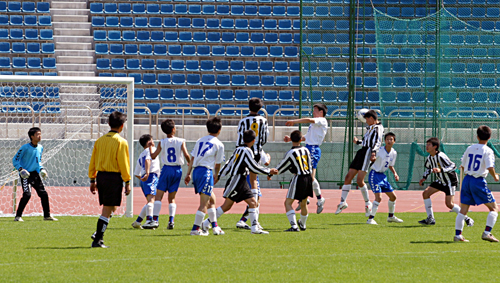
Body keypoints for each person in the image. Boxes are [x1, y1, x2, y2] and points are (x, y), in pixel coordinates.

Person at [201, 130, 277, 234]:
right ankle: (206, 222)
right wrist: (269, 171)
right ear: (253, 141)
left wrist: (219, 175)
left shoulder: (238, 149)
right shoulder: (246, 151)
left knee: (253, 202)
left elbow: (228, 164)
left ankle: (254, 228)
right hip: (237, 180)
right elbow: (253, 167)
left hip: (241, 180)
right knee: (226, 206)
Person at [88, 111, 131, 248]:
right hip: (113, 177)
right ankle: (98, 240)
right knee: (107, 209)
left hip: (101, 176)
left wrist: (92, 179)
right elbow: (123, 163)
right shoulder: (121, 142)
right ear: (122, 126)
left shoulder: (100, 141)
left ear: (108, 124)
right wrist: (127, 181)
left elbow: (93, 161)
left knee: (112, 207)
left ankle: (97, 233)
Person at [455, 125, 499, 242]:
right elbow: (490, 167)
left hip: (467, 179)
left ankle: (458, 235)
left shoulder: (470, 148)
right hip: (478, 181)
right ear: (489, 137)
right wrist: (495, 176)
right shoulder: (488, 151)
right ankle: (487, 233)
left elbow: (462, 165)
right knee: (494, 208)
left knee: (463, 209)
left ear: (477, 136)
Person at [336, 110, 383, 216]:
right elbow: (367, 141)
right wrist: (357, 142)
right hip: (361, 152)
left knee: (359, 180)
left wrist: (373, 153)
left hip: (368, 152)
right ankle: (343, 202)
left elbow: (377, 142)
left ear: (371, 118)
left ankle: (367, 203)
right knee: (348, 177)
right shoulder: (370, 128)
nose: (366, 121)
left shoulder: (378, 128)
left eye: (366, 119)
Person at [418, 137, 474, 226]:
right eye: (426, 144)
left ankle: (467, 219)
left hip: (449, 181)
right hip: (440, 181)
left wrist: (441, 170)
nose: (426, 146)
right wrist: (424, 178)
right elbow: (429, 169)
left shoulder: (441, 156)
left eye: (429, 144)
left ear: (435, 146)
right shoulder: (429, 158)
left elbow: (453, 166)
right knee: (425, 193)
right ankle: (430, 218)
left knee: (449, 204)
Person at [284, 103, 328, 214]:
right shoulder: (315, 125)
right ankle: (310, 198)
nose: (313, 112)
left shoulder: (322, 120)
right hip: (307, 148)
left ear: (321, 112)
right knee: (303, 174)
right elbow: (307, 137)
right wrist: (290, 139)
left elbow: (308, 119)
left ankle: (317, 199)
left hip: (313, 149)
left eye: (315, 110)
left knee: (310, 177)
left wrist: (294, 121)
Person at [184, 117, 225, 236]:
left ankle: (215, 227)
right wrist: (216, 175)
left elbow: (192, 158)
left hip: (196, 171)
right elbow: (217, 164)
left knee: (212, 200)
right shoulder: (219, 144)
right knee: (204, 204)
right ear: (219, 130)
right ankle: (195, 229)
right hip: (206, 172)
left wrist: (188, 173)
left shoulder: (200, 140)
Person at [150, 119, 190, 229]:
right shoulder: (181, 141)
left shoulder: (162, 142)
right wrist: (190, 165)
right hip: (177, 170)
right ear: (173, 129)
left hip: (166, 169)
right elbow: (186, 154)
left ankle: (155, 220)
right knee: (172, 198)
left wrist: (150, 146)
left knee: (158, 196)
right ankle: (171, 221)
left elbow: (153, 156)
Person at [235, 98, 269, 228]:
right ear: (260, 108)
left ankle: (246, 219)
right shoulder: (264, 120)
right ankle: (253, 221)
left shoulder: (243, 121)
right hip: (257, 153)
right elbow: (264, 138)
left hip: (244, 153)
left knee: (249, 181)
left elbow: (239, 139)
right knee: (254, 183)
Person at [12, 127, 57, 222]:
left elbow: (38, 162)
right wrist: (21, 170)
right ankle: (18, 216)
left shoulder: (40, 148)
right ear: (32, 136)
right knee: (27, 194)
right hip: (25, 175)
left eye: (40, 134)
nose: (40, 136)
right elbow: (15, 159)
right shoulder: (25, 147)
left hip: (35, 174)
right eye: (37, 134)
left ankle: (47, 216)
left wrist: (41, 169)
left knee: (43, 194)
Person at [273, 130, 313, 232]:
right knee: (303, 203)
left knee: (288, 202)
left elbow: (282, 166)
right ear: (301, 139)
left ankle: (294, 226)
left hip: (298, 178)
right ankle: (303, 224)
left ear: (291, 139)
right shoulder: (306, 150)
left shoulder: (291, 152)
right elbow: (310, 164)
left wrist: (271, 173)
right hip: (308, 177)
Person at [366, 132, 403, 225]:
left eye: (391, 139)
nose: (389, 141)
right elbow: (371, 158)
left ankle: (391, 217)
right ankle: (370, 219)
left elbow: (390, 165)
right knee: (378, 197)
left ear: (394, 141)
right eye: (387, 139)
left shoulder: (394, 153)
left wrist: (395, 173)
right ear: (384, 141)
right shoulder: (379, 150)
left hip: (383, 176)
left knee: (393, 197)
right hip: (375, 174)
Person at [132, 134, 161, 229]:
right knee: (152, 200)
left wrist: (143, 177)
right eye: (152, 140)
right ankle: (149, 220)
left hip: (144, 179)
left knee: (149, 201)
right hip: (151, 176)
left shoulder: (141, 154)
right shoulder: (150, 150)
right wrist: (148, 174)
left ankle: (138, 222)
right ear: (149, 142)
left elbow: (136, 173)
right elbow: (148, 160)